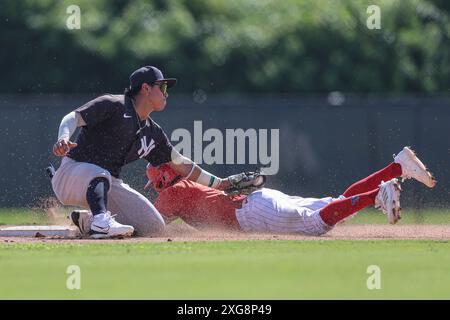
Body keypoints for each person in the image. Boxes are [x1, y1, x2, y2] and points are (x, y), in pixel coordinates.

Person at [51, 66, 238, 238]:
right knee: (101, 174)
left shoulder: (153, 132)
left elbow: (181, 163)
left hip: (108, 184)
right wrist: (63, 137)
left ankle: (89, 220)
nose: (166, 94)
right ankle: (101, 222)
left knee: (153, 226)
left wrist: (219, 183)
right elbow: (73, 117)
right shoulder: (114, 104)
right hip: (71, 175)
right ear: (146, 88)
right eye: (163, 88)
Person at [143, 147, 435, 235]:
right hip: (258, 203)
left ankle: (377, 195)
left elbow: (148, 226)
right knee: (338, 204)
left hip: (253, 215)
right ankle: (396, 167)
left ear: (160, 179)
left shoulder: (173, 194)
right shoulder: (189, 185)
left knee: (318, 224)